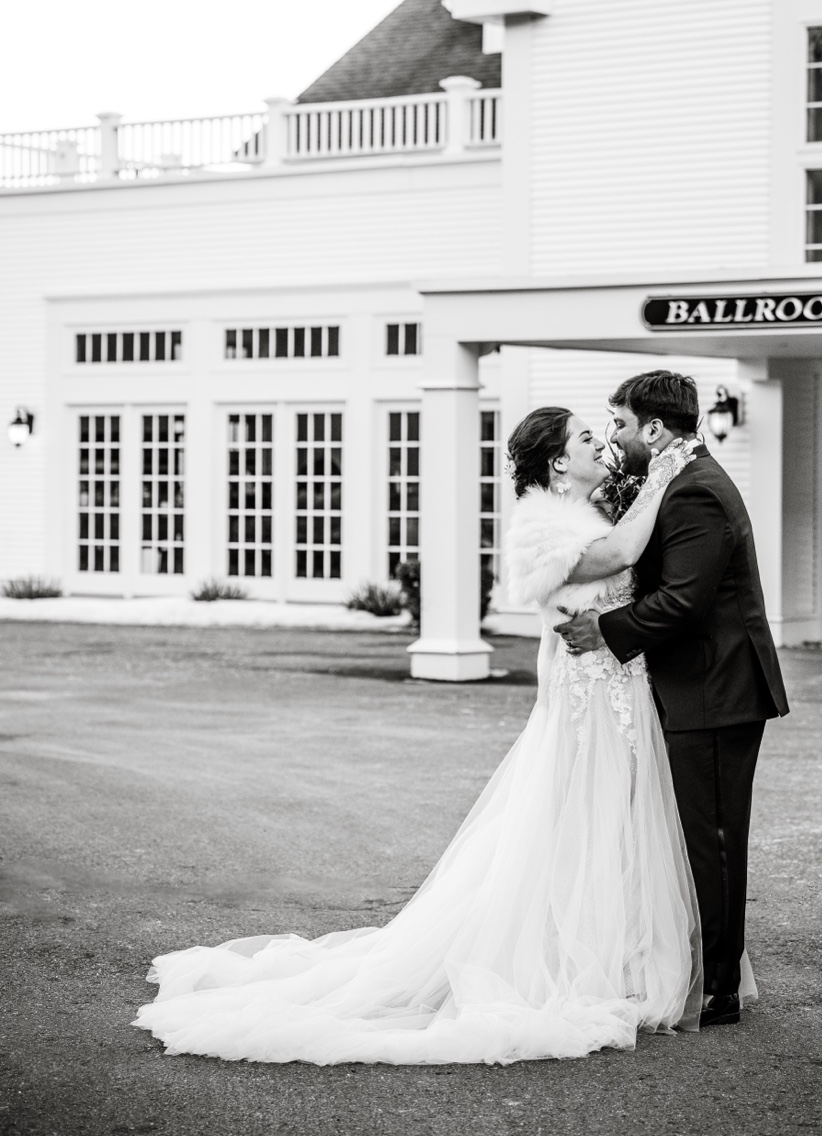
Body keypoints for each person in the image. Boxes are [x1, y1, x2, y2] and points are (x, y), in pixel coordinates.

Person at [134, 407, 702, 1063]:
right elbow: (621, 555)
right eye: (584, 437)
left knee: (612, 824)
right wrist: (664, 473)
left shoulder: (587, 514)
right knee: (580, 825)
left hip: (616, 692)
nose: (598, 442)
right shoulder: (539, 525)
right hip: (586, 704)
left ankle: (622, 953)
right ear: (555, 462)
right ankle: (577, 963)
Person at [555, 371, 789, 1029]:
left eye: (622, 424)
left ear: (655, 429)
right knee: (699, 836)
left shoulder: (696, 493)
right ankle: (707, 974)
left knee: (712, 838)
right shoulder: (679, 481)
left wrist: (603, 626)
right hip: (704, 682)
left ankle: (719, 991)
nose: (614, 437)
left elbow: (685, 600)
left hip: (716, 685)